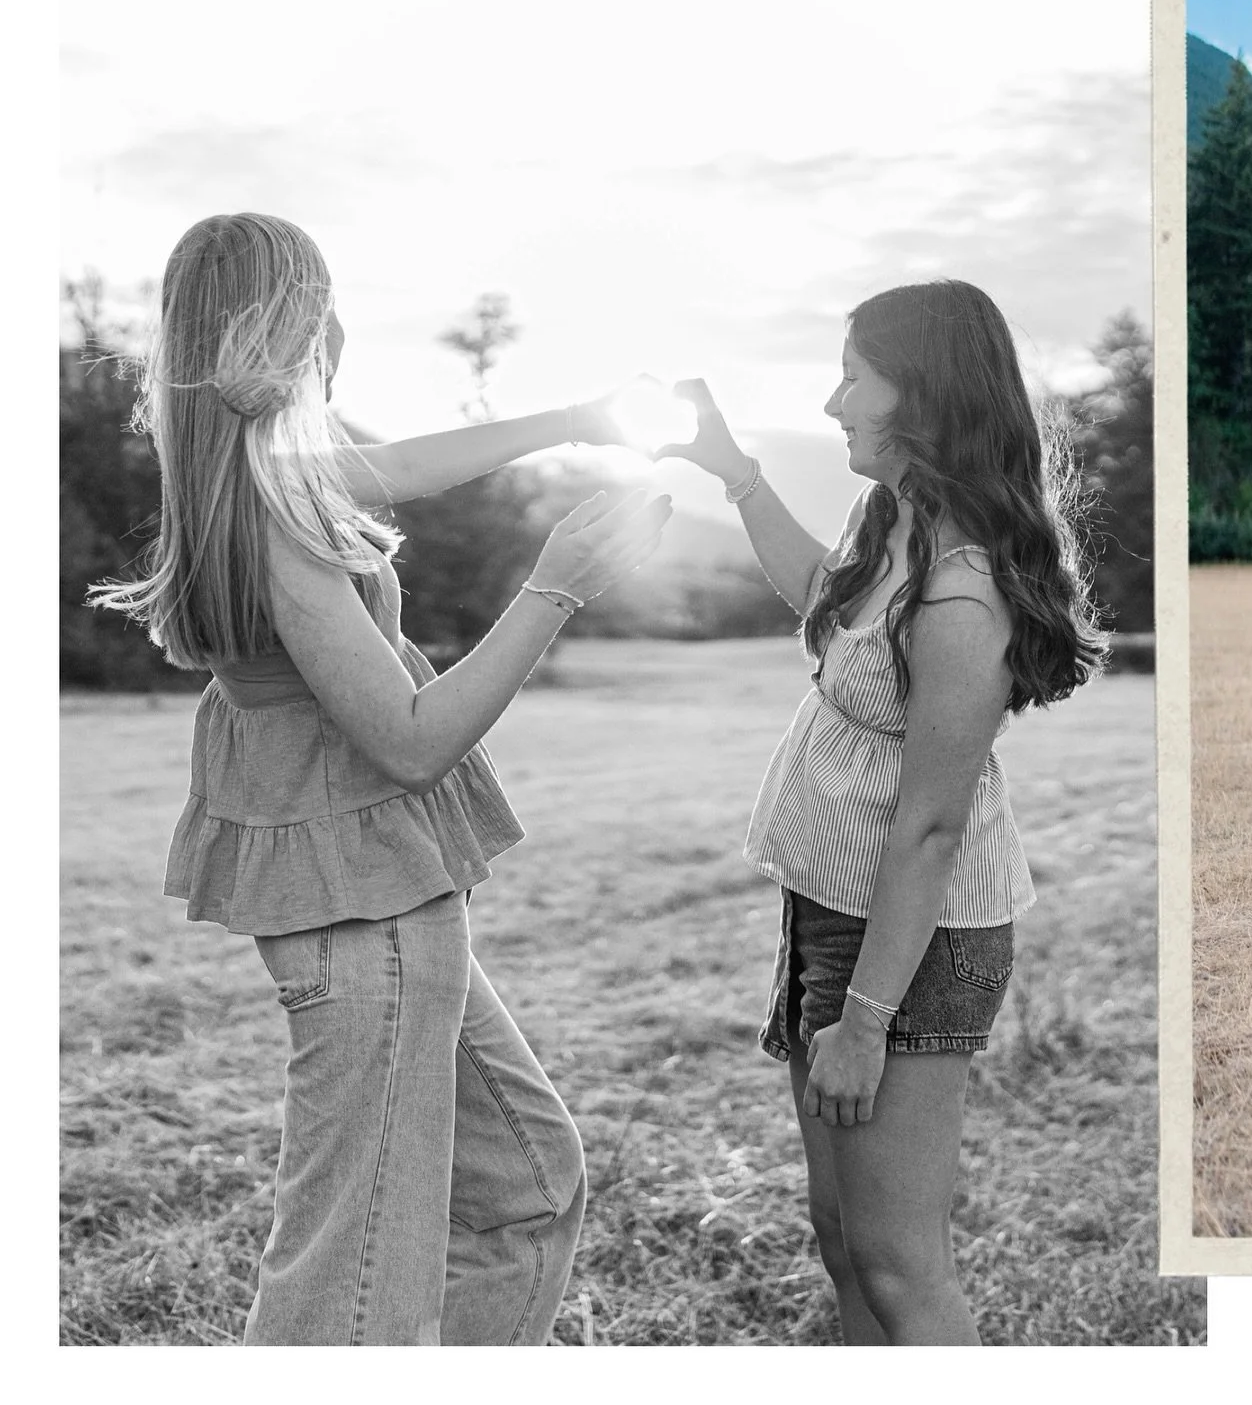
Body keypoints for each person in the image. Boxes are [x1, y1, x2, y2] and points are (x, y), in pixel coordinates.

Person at [90, 211, 671, 1346]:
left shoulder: (257, 466)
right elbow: (409, 739)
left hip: (376, 894)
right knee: (354, 1272)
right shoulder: (271, 502)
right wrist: (555, 584)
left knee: (527, 1185)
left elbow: (398, 468)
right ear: (288, 322)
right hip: (366, 914)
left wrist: (576, 420)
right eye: (320, 301)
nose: (340, 325)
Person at [657, 278, 1106, 1346]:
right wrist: (740, 477)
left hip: (904, 943)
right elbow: (823, 596)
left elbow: (931, 832)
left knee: (901, 1264)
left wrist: (865, 1020)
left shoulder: (963, 593)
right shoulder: (899, 515)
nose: (832, 402)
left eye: (854, 376)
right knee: (843, 1234)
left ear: (924, 396)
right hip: (834, 909)